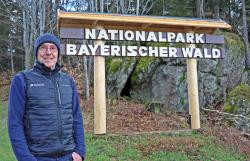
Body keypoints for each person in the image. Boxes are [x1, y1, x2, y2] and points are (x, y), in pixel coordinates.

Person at [8, 33, 86, 161]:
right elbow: (14, 123)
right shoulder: (22, 80)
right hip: (38, 157)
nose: (48, 52)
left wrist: (80, 151)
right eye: (43, 48)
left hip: (69, 156)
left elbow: (76, 117)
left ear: (57, 53)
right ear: (37, 52)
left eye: (53, 48)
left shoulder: (68, 81)